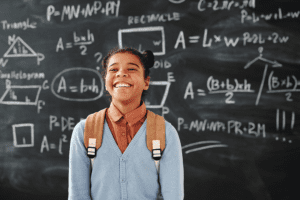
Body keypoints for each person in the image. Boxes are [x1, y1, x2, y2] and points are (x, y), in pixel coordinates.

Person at [68, 47, 184, 200]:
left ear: (146, 82)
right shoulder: (84, 130)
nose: (121, 73)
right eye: (113, 69)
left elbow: (173, 196)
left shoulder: (165, 132)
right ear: (105, 81)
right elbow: (78, 195)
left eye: (132, 69)